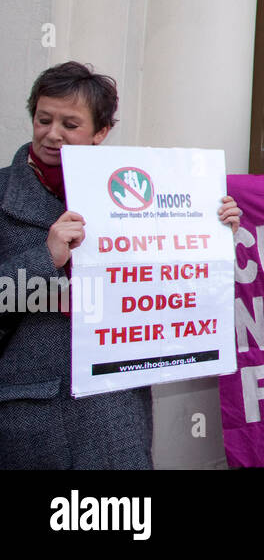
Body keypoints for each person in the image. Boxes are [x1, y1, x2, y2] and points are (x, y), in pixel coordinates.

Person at [0, 61, 240, 468]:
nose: (52, 134)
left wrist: (212, 233)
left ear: (101, 132)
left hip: (113, 408)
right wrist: (46, 257)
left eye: (70, 124)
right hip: (29, 411)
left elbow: (168, 286)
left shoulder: (140, 190)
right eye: (44, 119)